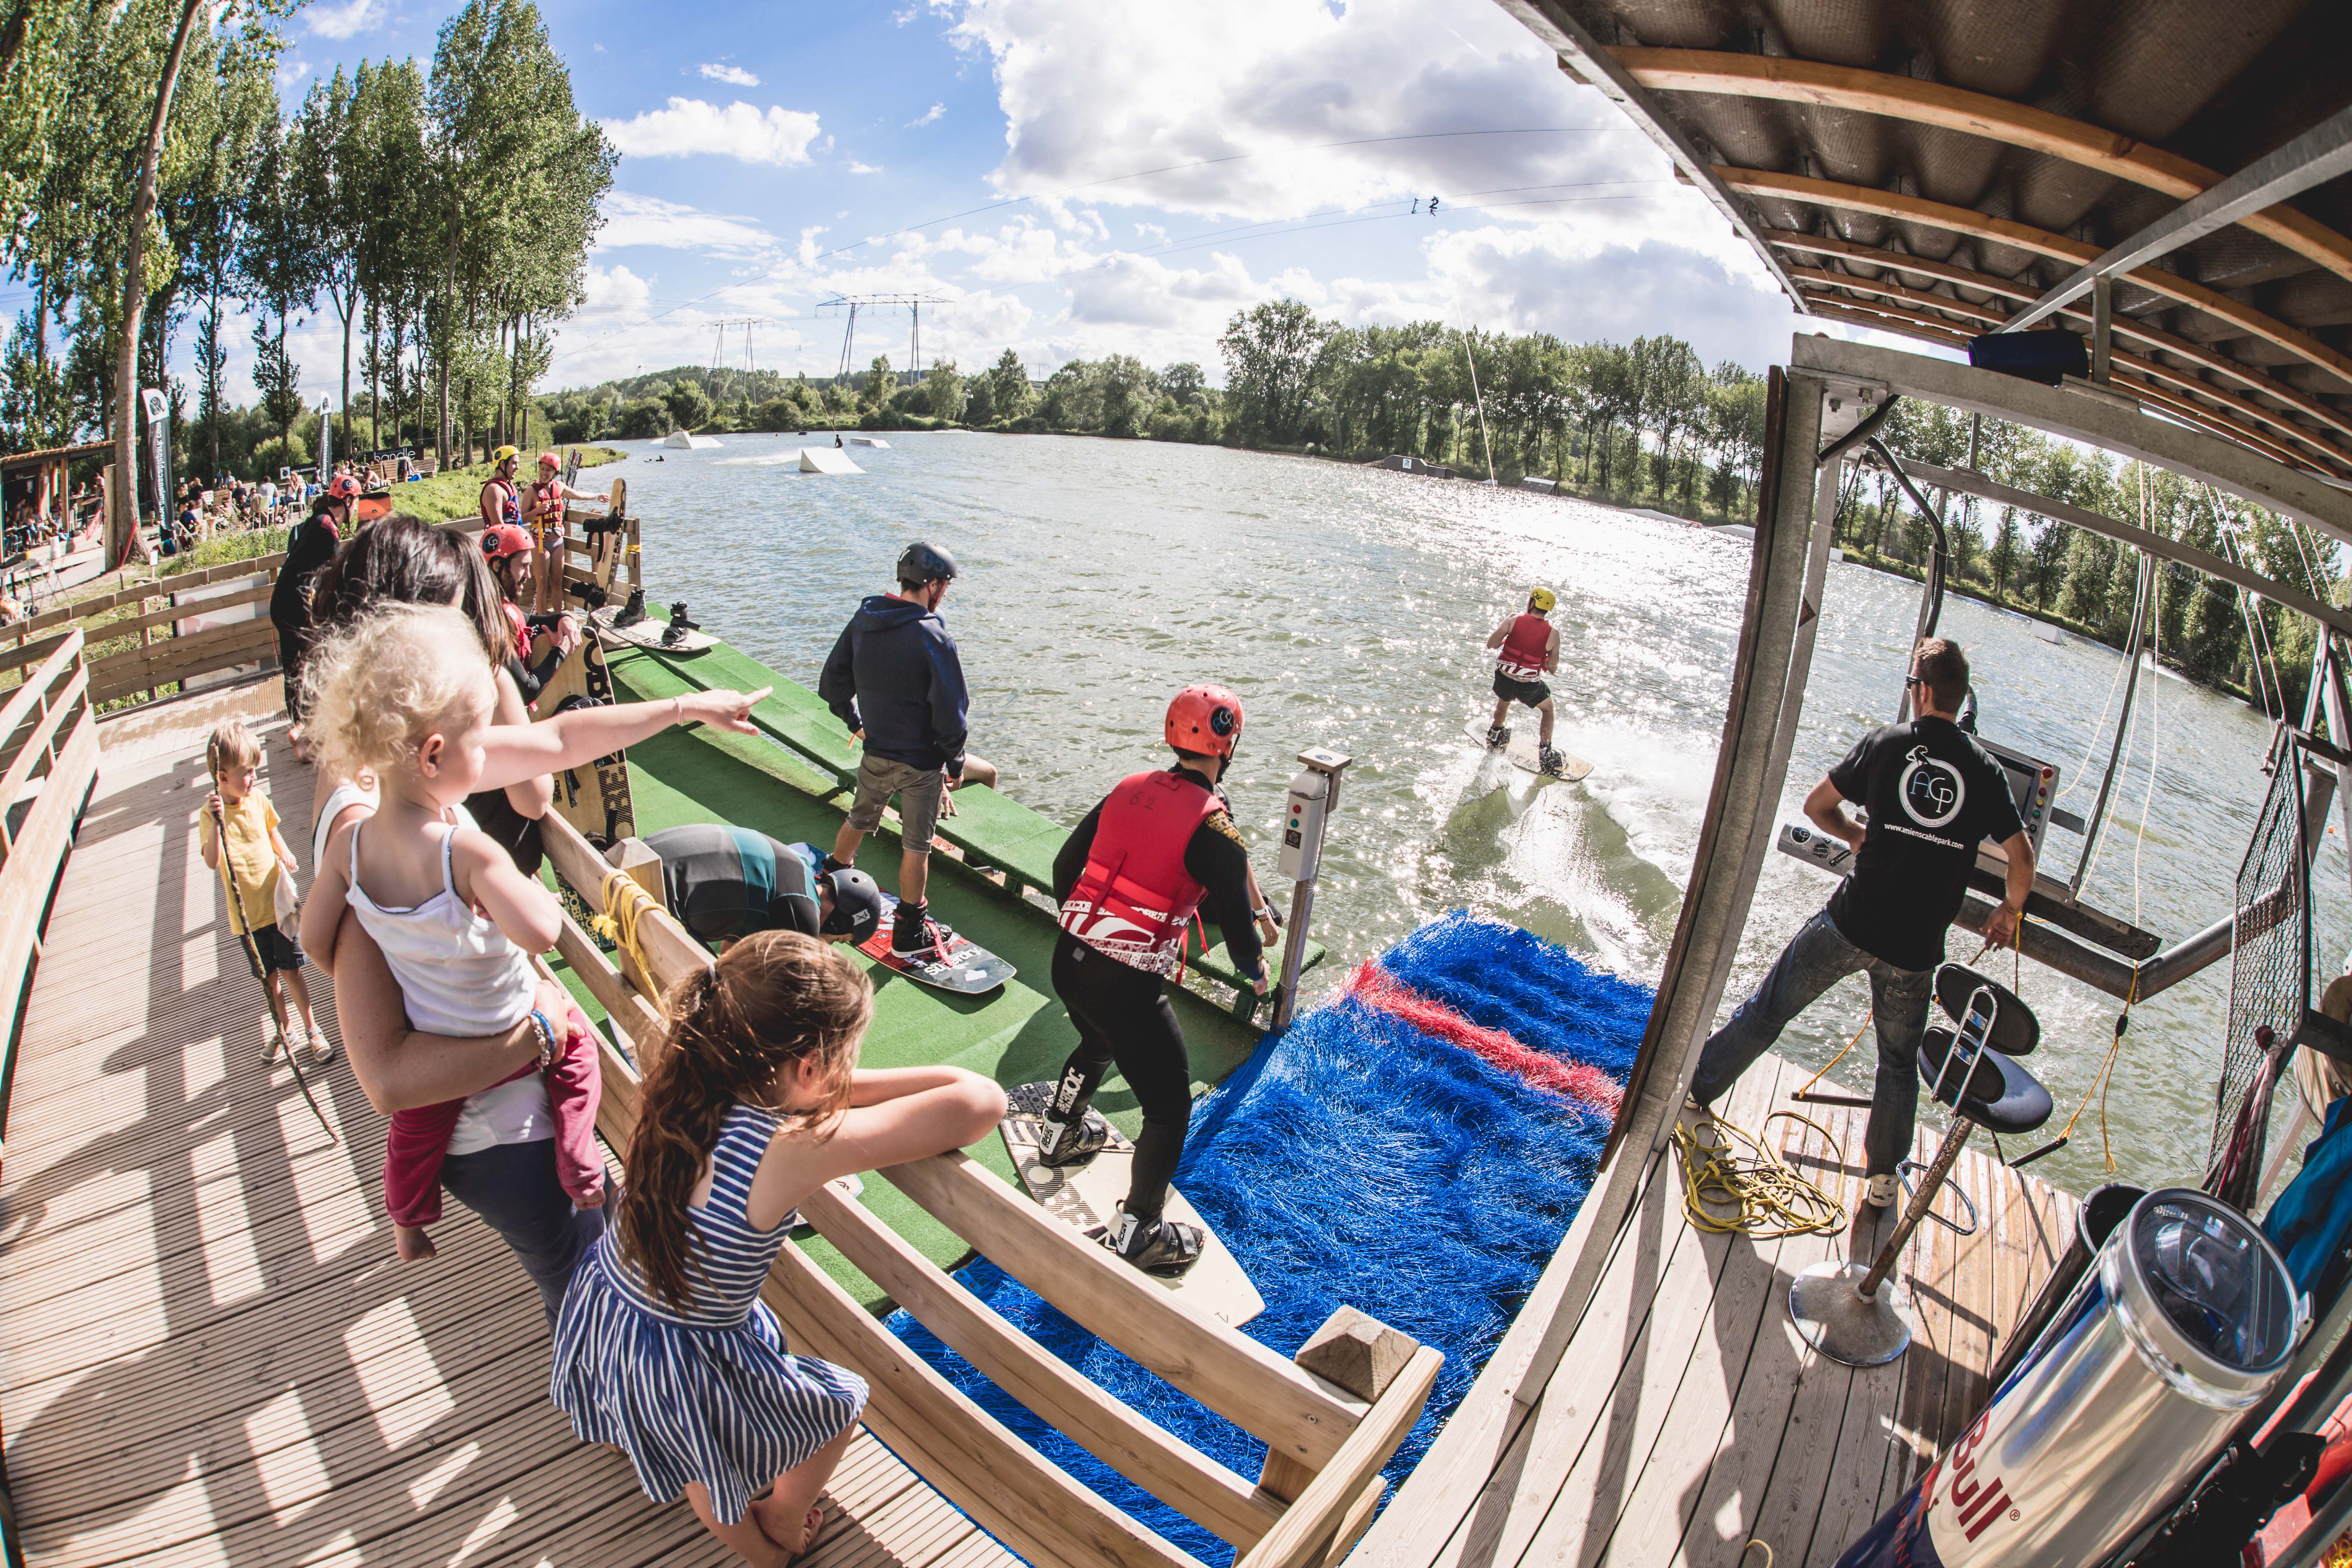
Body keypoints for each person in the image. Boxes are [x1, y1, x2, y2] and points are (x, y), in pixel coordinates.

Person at [303, 514, 773, 1322]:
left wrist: (685, 708)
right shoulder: (412, 827)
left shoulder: (390, 796)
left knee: (584, 1252)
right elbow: (388, 1076)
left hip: (474, 1131)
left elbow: (559, 739)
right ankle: (609, 1401)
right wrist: (542, 1031)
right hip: (501, 1128)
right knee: (585, 1284)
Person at [550, 931, 1004, 1565]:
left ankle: (641, 1431)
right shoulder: (785, 1151)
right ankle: (777, 1535)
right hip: (683, 1352)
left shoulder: (683, 1080)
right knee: (833, 1410)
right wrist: (829, 1089)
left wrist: (818, 1080)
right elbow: (980, 1100)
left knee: (676, 1410)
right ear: (812, 1068)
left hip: (616, 1308)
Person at [298, 602, 606, 1265]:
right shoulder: (468, 852)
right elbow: (543, 931)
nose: (490, 748)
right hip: (508, 1107)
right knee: (578, 1057)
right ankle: (585, 1169)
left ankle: (408, 1221)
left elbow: (314, 938)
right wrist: (521, 893)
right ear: (435, 752)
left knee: (411, 1139)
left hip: (439, 1077)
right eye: (482, 735)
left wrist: (357, 948)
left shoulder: (350, 849)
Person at [1688, 638, 2035, 1210]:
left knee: (1769, 1010)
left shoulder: (1887, 744)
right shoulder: (1985, 769)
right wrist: (2008, 912)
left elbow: (1816, 806)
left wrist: (1854, 833)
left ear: (1921, 691)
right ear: (1958, 695)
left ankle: (1699, 1091)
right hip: (1917, 949)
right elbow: (2021, 860)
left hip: (1851, 923)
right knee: (1897, 1064)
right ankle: (1880, 1182)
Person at [1038, 684, 1277, 1273]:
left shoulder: (1128, 787)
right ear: (1229, 742)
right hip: (1125, 982)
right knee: (1169, 1108)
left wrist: (1092, 934)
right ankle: (1138, 1231)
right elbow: (1241, 927)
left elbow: (1064, 868)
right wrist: (1255, 972)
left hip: (1069, 957)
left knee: (1099, 1040)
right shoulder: (1217, 830)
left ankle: (1059, 1132)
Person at [817, 541, 999, 960]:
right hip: (920, 765)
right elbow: (952, 712)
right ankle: (910, 930)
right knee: (917, 847)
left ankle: (829, 888)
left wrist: (855, 723)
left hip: (876, 753)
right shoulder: (932, 635)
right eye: (945, 586)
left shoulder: (865, 618)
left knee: (859, 819)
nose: (946, 594)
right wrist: (953, 761)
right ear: (932, 585)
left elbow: (833, 684)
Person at [201, 718, 331, 1065]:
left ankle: (312, 1028)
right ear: (222, 777)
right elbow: (213, 861)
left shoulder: (257, 799)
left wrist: (285, 851)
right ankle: (283, 1028)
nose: (254, 778)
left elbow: (272, 830)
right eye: (246, 772)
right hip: (247, 918)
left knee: (293, 970)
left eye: (255, 770)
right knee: (269, 979)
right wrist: (214, 825)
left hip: (277, 905)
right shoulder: (210, 815)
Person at [641, 824, 885, 952]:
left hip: (638, 858)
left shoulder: (796, 865)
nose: (829, 946)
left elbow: (734, 950)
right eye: (839, 940)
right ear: (839, 923)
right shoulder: (803, 921)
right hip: (650, 901)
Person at [269, 474, 361, 747]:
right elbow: (336, 574)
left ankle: (301, 727)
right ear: (347, 500)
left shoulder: (317, 520)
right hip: (294, 603)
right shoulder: (327, 527)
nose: (355, 511)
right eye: (354, 503)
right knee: (311, 663)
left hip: (283, 601)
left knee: (296, 665)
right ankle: (306, 733)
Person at [479, 521, 581, 705]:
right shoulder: (491, 621)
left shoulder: (494, 601)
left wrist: (563, 617)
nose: (528, 575)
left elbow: (526, 619)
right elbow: (527, 690)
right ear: (497, 565)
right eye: (523, 566)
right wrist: (560, 651)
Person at [1485, 586, 1567, 775]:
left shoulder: (1513, 619)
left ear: (1532, 602)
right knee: (1548, 708)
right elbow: (1553, 668)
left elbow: (1491, 644)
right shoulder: (1553, 634)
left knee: (1504, 700)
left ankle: (1497, 735)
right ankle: (1546, 752)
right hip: (1527, 686)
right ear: (1548, 609)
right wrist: (1542, 659)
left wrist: (1508, 640)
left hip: (1503, 679)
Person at [524, 451, 609, 616]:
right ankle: (542, 621)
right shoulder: (531, 491)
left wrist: (597, 496)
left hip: (558, 542)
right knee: (542, 585)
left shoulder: (559, 487)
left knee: (557, 583)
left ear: (555, 473)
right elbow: (522, 517)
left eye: (548, 470)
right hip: (541, 543)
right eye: (542, 469)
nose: (544, 473)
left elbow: (578, 495)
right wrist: (537, 510)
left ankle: (558, 618)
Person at [479, 445, 525, 532]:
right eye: (514, 463)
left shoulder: (510, 486)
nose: (518, 467)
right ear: (503, 464)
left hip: (516, 539)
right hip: (503, 543)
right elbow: (498, 526)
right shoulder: (493, 490)